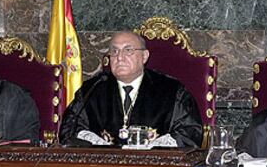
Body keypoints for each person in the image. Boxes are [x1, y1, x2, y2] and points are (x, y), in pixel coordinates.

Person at [59, 31, 203, 148]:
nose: (120, 57)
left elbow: (190, 132)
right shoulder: (93, 89)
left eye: (128, 50)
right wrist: (100, 147)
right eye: (114, 51)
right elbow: (69, 129)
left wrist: (152, 149)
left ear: (144, 56)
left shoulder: (171, 90)